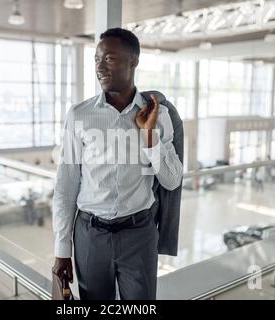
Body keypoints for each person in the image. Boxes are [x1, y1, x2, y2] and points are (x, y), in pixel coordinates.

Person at [52, 28, 183, 300]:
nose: (99, 66)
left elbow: (172, 180)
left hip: (140, 234)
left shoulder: (158, 115)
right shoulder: (79, 116)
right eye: (97, 59)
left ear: (133, 62)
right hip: (90, 236)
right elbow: (66, 186)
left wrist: (149, 135)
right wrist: (62, 250)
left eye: (109, 58)